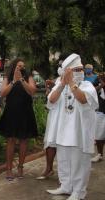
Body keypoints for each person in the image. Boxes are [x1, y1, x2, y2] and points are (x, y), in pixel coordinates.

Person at [46, 53, 98, 200]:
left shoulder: (87, 86)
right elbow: (51, 100)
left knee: (79, 162)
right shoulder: (61, 85)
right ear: (67, 72)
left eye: (81, 69)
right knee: (63, 160)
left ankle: (78, 192)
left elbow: (82, 99)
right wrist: (62, 84)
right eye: (76, 70)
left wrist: (71, 83)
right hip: (62, 131)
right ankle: (66, 186)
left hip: (79, 133)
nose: (80, 72)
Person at [0, 58, 38, 180]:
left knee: (23, 140)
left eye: (23, 66)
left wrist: (21, 80)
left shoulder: (27, 77)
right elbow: (2, 93)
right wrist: (13, 81)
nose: (21, 68)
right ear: (14, 66)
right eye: (19, 66)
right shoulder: (8, 77)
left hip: (25, 112)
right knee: (10, 140)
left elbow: (32, 91)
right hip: (11, 112)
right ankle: (9, 169)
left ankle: (20, 167)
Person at [36, 53, 70, 180]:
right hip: (55, 115)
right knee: (50, 142)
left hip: (66, 117)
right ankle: (49, 169)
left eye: (62, 64)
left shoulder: (75, 81)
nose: (60, 67)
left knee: (65, 144)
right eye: (59, 64)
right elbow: (51, 98)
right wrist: (48, 88)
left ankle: (67, 176)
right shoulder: (57, 80)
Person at [91, 74, 105, 162]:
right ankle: (100, 155)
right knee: (99, 136)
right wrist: (101, 84)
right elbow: (93, 91)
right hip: (100, 113)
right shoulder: (97, 89)